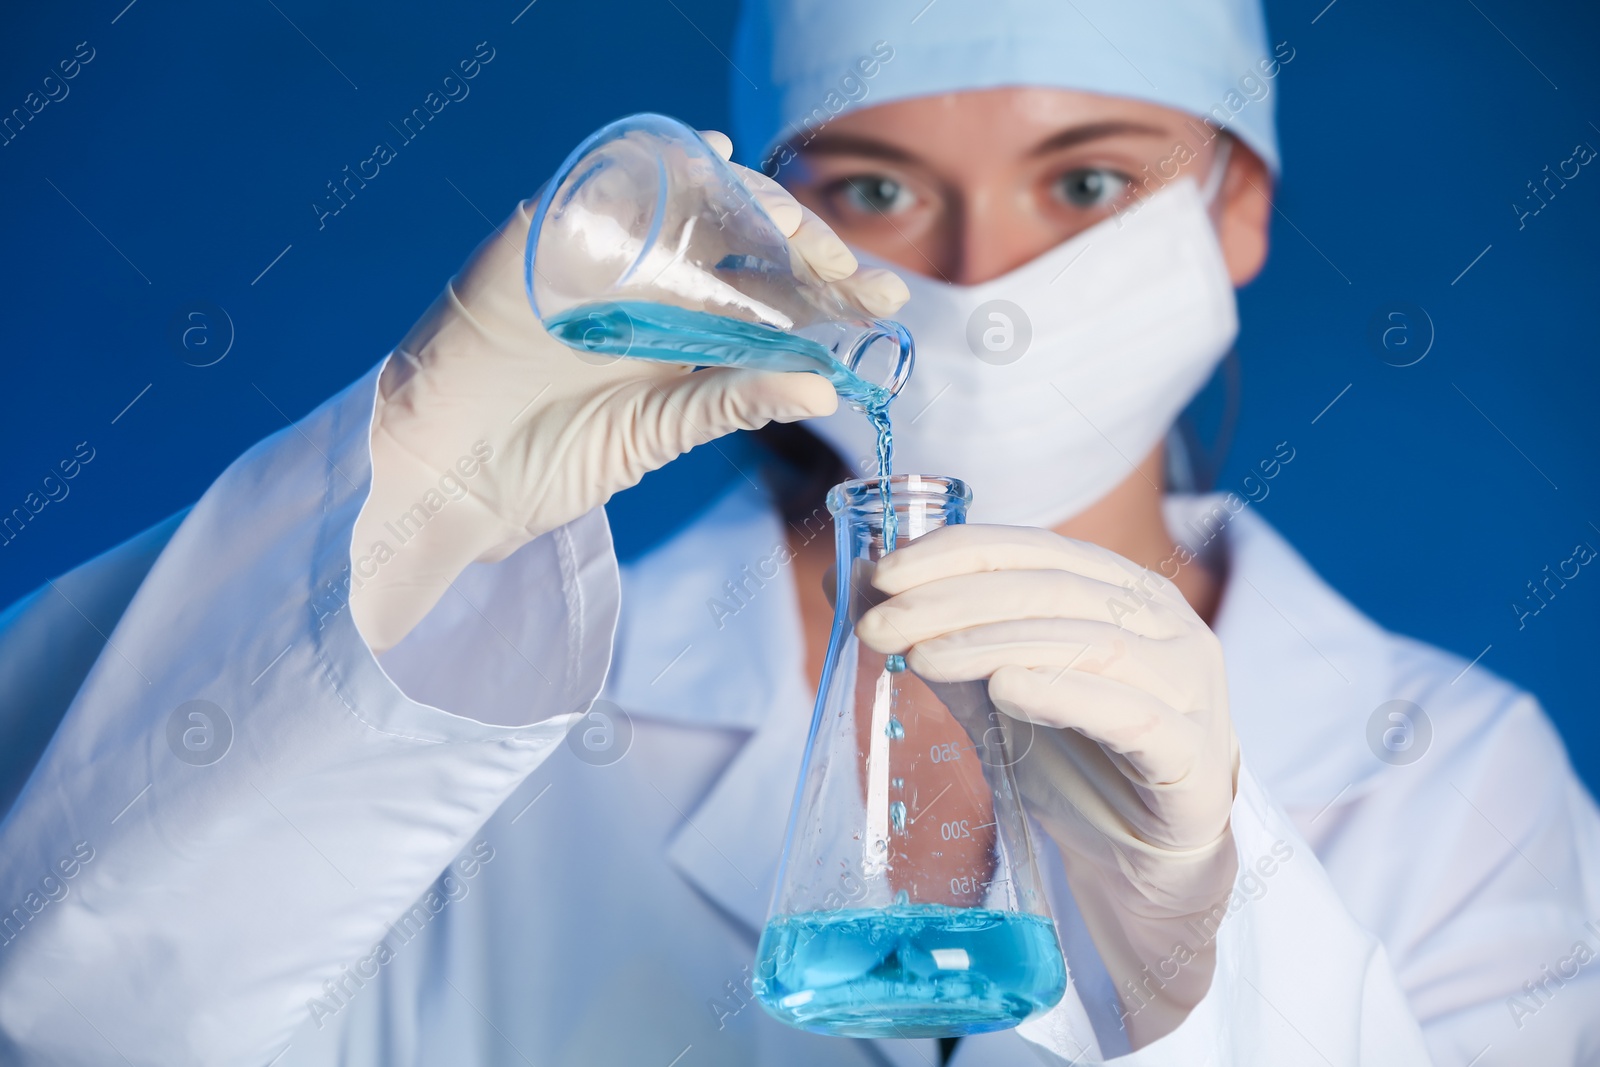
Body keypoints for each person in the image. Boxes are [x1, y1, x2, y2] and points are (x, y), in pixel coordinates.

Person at [1, 0, 1596, 1064]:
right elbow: (71, 1009)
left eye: (1087, 182)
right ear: (776, 219)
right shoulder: (474, 726)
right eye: (881, 192)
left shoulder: (1451, 777)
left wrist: (1206, 938)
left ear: (1235, 202)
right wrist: (411, 501)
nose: (986, 280)